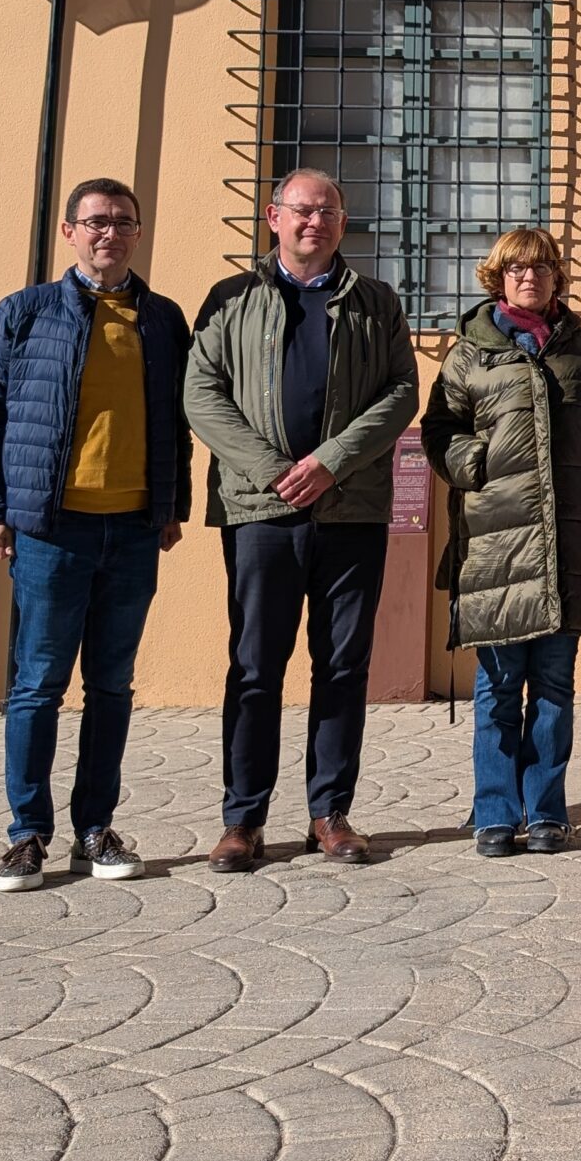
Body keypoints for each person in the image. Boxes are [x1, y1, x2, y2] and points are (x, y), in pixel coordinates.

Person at [185, 169, 419, 871]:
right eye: (302, 210)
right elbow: (200, 392)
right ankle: (243, 820)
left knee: (343, 665)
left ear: (342, 223)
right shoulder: (230, 299)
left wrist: (331, 462)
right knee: (256, 667)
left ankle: (330, 813)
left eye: (328, 211)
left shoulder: (377, 302)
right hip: (262, 511)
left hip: (351, 509)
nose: (314, 221)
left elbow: (401, 391)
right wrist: (271, 469)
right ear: (273, 218)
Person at [0, 177, 191, 892]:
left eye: (123, 222)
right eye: (95, 221)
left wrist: (172, 505)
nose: (109, 233)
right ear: (69, 232)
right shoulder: (24, 312)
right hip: (51, 530)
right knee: (38, 685)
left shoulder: (162, 318)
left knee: (112, 686)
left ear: (138, 234)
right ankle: (27, 834)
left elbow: (178, 419)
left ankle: (95, 828)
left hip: (132, 528)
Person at [422, 227, 581, 858]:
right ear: (498, 277)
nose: (529, 277)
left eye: (542, 268)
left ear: (556, 279)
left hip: (573, 543)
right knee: (496, 688)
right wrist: (475, 463)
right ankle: (494, 812)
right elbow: (440, 428)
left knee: (553, 686)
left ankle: (546, 811)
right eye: (517, 268)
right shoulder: (469, 353)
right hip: (496, 543)